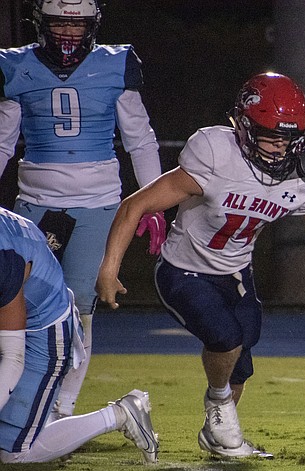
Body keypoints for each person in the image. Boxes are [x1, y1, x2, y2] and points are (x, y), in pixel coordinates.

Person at [95, 72, 305, 459]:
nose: (280, 148)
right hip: (182, 269)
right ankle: (219, 407)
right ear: (242, 125)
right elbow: (135, 204)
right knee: (225, 338)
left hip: (237, 273)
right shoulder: (216, 154)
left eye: (289, 138)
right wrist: (109, 268)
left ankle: (218, 434)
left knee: (242, 358)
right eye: (271, 136)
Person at [0, 0, 165, 423]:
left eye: (78, 25)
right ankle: (19, 397)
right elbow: (2, 141)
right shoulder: (16, 65)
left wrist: (152, 201)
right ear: (41, 23)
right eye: (60, 23)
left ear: (93, 25)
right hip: (34, 202)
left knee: (80, 308)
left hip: (97, 202)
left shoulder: (116, 63)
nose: (69, 33)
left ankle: (62, 408)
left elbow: (140, 139)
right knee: (18, 302)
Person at [0, 206, 158, 464]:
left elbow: (12, 356)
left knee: (12, 452)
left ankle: (121, 414)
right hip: (19, 313)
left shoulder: (5, 258)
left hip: (43, 329)